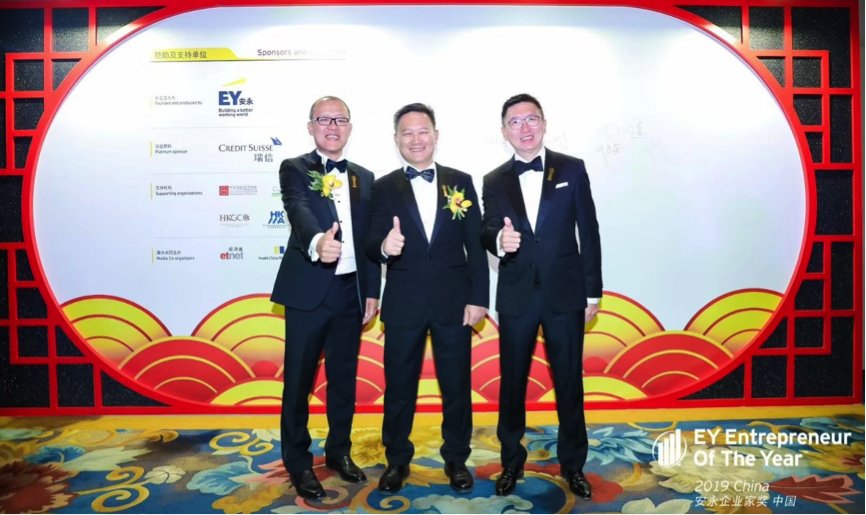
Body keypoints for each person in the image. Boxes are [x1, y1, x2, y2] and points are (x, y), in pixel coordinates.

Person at [480, 93, 602, 499]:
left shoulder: (572, 168)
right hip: (517, 294)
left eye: (531, 119)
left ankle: (574, 465)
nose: (525, 128)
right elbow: (486, 228)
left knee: (569, 383)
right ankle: (511, 462)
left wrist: (593, 292)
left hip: (565, 294)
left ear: (544, 124)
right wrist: (499, 240)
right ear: (504, 132)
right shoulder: (493, 180)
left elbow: (589, 231)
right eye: (515, 122)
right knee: (512, 384)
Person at [366, 103, 488, 494]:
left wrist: (479, 297)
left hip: (455, 302)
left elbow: (475, 246)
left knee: (456, 388)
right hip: (404, 303)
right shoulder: (383, 187)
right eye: (407, 132)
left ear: (435, 135)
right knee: (399, 389)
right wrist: (384, 246)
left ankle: (457, 459)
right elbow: (371, 240)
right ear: (396, 139)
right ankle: (397, 460)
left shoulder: (460, 181)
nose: (416, 139)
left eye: (423, 131)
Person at [270, 96, 381, 500]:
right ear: (311, 126)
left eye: (340, 120)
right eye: (324, 119)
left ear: (349, 127)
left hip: (351, 292)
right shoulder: (294, 168)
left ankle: (339, 452)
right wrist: (318, 242)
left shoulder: (365, 176)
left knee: (343, 380)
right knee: (298, 382)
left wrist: (372, 291)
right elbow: (298, 209)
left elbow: (370, 238)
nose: (332, 126)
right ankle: (298, 462)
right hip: (309, 290)